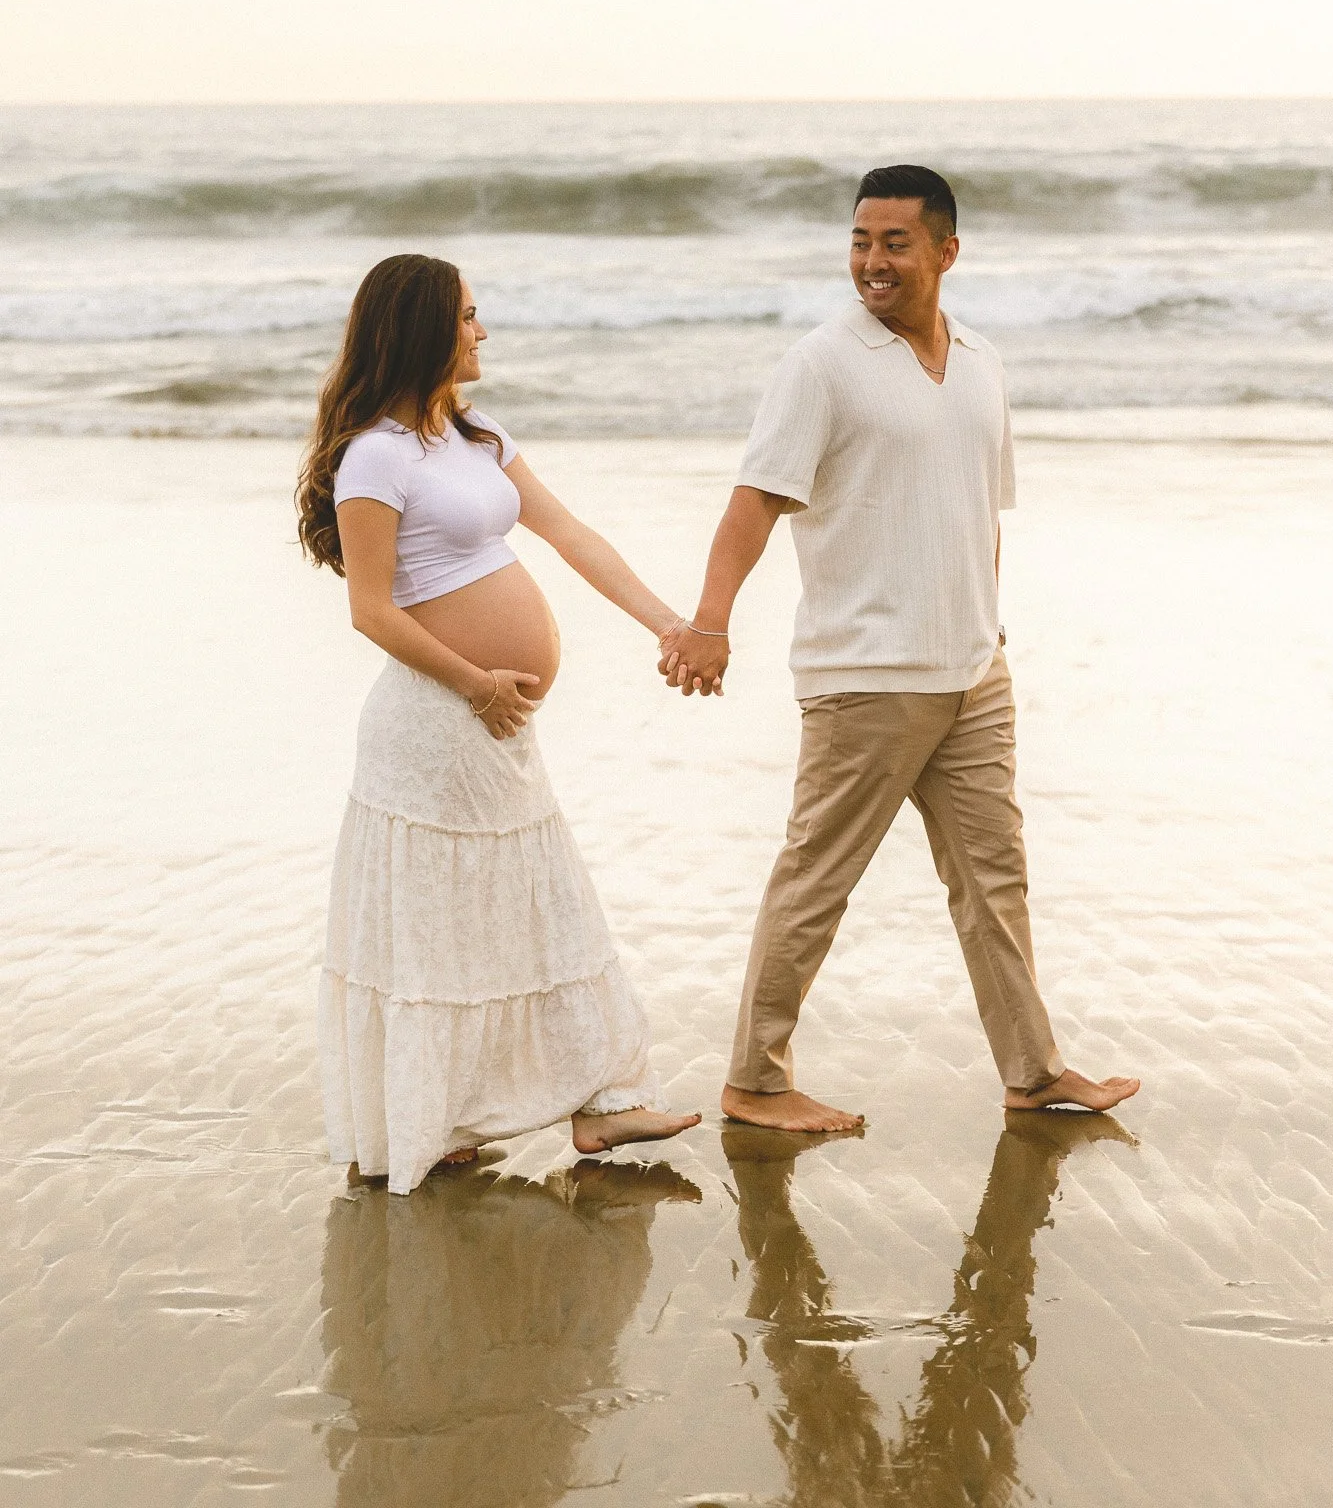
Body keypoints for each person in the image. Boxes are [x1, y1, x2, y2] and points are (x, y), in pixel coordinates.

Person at [659, 164, 1141, 1133]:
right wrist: (709, 623)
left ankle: (1033, 1068)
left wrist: (986, 623)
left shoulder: (981, 361)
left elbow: (978, 511)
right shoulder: (821, 364)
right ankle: (754, 1079)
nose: (871, 261)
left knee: (993, 886)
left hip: (971, 674)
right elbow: (754, 500)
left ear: (946, 251)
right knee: (815, 881)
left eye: (894, 243)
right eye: (859, 241)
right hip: (864, 679)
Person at [297, 253, 699, 1194]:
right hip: (435, 726)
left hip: (494, 727)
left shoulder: (478, 440)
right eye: (469, 316)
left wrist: (672, 624)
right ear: (423, 329)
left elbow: (573, 537)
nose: (482, 332)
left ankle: (602, 1102)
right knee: (442, 924)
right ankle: (434, 1122)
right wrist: (476, 683)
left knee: (536, 904)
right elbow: (372, 610)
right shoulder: (374, 457)